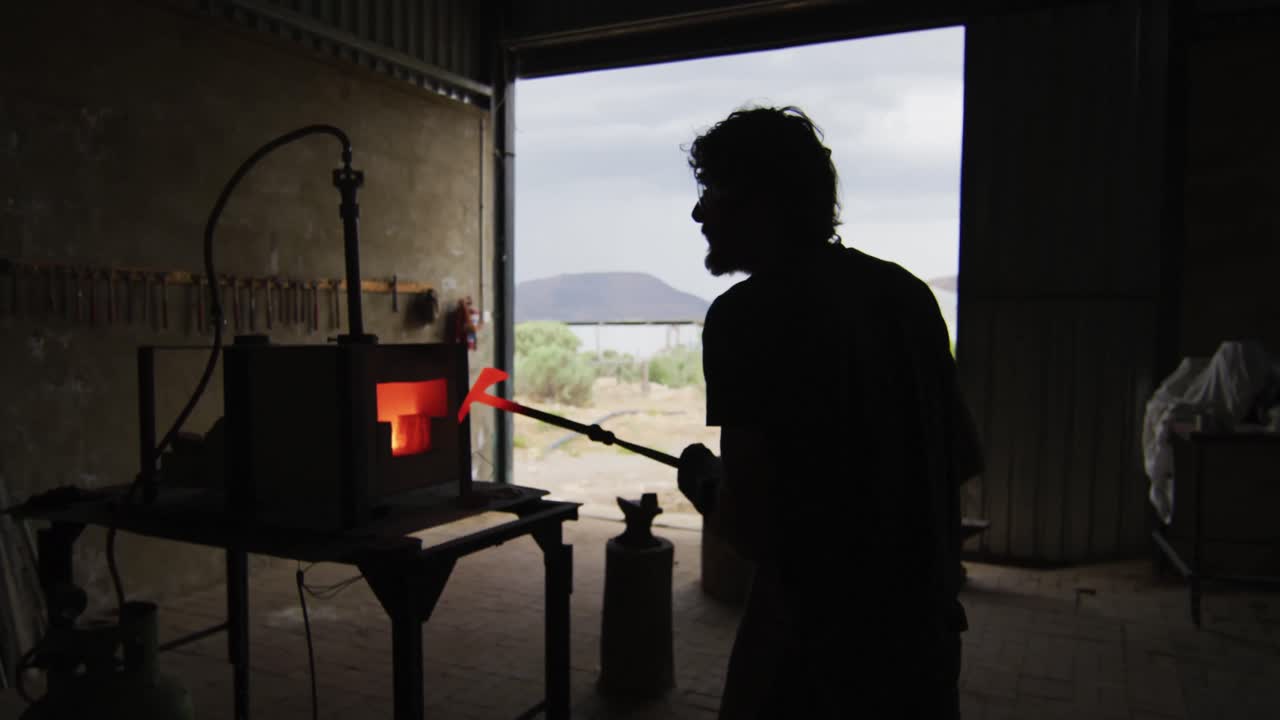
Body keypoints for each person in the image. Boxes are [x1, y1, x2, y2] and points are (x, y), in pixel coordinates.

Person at [676, 106, 984, 718]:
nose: (699, 211)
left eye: (712, 191)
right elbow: (961, 460)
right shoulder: (907, 295)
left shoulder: (747, 316)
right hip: (923, 650)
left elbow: (752, 529)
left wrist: (705, 480)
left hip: (810, 660)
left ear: (761, 200)